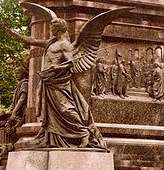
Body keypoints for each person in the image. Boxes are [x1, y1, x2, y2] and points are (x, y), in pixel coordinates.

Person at [8, 18, 107, 149]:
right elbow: (32, 41)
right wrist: (15, 34)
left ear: (59, 29)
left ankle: (83, 134)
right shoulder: (51, 43)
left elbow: (71, 63)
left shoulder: (64, 45)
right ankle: (54, 136)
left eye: (52, 27)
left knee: (66, 109)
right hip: (49, 81)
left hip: (59, 82)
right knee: (52, 112)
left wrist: (57, 68)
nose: (50, 30)